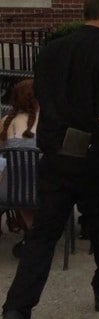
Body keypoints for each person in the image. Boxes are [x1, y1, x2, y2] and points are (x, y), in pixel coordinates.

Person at [2, 0, 99, 319]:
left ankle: (16, 310)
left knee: (41, 238)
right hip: (93, 150)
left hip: (54, 152)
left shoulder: (50, 50)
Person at [0, 78, 39, 236]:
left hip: (10, 191)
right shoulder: (49, 123)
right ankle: (34, 233)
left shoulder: (6, 122)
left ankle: (29, 230)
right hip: (43, 190)